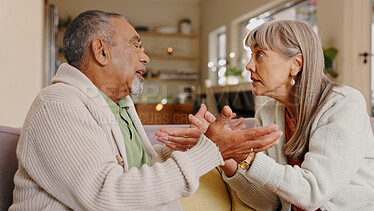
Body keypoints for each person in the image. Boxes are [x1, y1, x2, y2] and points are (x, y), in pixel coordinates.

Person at [10, 10, 283, 210]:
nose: (146, 56)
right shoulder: (57, 105)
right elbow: (108, 196)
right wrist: (211, 150)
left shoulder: (118, 104)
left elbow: (128, 165)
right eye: (136, 45)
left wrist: (192, 145)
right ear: (101, 52)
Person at [156, 20, 374, 210]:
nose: (249, 66)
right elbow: (269, 203)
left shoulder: (344, 104)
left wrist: (244, 153)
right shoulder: (269, 112)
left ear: (296, 63)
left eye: (260, 54)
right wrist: (226, 155)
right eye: (251, 56)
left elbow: (312, 192)